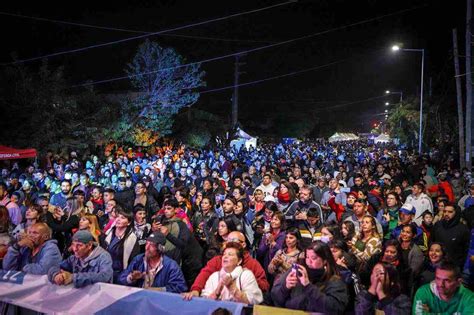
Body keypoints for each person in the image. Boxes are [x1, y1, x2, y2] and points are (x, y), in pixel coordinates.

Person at [182, 231, 269, 300]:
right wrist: (196, 290)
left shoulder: (253, 264)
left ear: (243, 244)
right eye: (228, 240)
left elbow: (265, 286)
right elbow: (204, 274)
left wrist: (249, 281)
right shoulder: (217, 260)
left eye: (234, 240)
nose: (230, 243)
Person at [271, 241, 348, 314]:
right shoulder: (297, 270)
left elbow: (335, 309)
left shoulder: (335, 280)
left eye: (313, 258)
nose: (309, 261)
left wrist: (308, 286)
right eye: (307, 257)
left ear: (325, 260)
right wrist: (285, 287)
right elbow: (275, 297)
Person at [117, 232, 187, 292]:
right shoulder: (138, 259)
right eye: (146, 243)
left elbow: (180, 287)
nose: (147, 248)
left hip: (158, 304)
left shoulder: (171, 266)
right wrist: (131, 278)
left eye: (151, 245)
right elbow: (120, 279)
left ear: (160, 249)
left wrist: (158, 290)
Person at [48, 230, 113, 288]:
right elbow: (56, 267)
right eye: (73, 245)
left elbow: (105, 276)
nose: (75, 249)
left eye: (79, 245)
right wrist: (56, 274)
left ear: (89, 245)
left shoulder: (104, 257)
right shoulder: (74, 258)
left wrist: (73, 278)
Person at [103, 209, 140, 283]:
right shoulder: (108, 234)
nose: (118, 219)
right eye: (118, 217)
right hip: (105, 271)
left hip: (121, 274)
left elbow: (133, 261)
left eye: (122, 218)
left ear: (129, 222)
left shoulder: (132, 239)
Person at [431, 203, 470, 268]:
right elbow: (432, 242)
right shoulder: (438, 225)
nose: (446, 214)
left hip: (455, 266)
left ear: (456, 213)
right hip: (438, 264)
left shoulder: (463, 229)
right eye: (445, 211)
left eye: (450, 212)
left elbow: (466, 249)